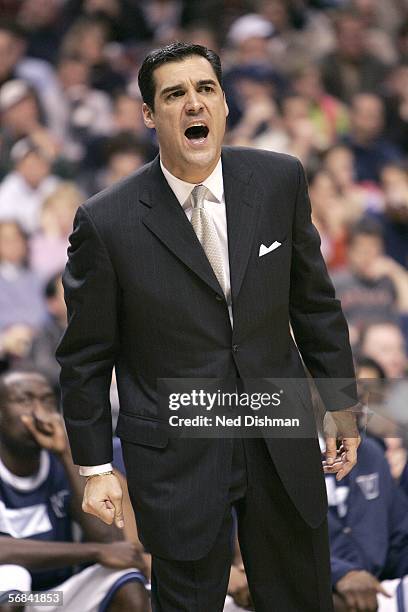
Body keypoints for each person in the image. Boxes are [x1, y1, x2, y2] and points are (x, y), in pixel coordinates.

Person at [56, 42, 360, 612]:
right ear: (150, 115)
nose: (193, 104)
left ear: (223, 104)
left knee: (302, 597)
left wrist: (342, 404)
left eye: (206, 90)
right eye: (175, 94)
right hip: (178, 445)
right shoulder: (106, 220)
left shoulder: (278, 180)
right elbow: (85, 357)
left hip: (279, 426)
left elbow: (316, 306)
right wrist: (96, 467)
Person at [0, 370, 150, 612]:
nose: (38, 412)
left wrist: (67, 454)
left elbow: (111, 542)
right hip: (12, 597)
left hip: (53, 598)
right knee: (11, 578)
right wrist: (95, 551)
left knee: (127, 579)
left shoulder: (60, 463)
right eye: (24, 400)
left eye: (47, 401)